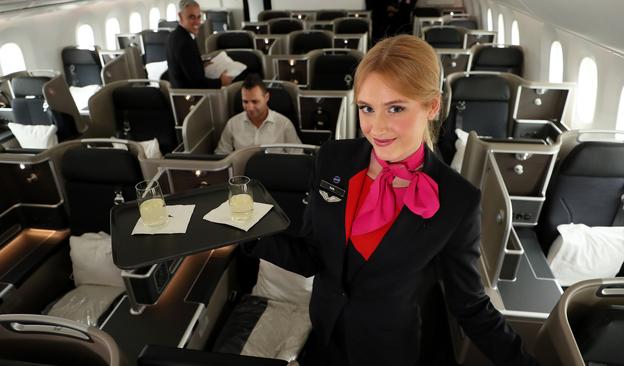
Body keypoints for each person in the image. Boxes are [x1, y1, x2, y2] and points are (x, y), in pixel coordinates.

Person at [246, 35, 537, 366]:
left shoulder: (458, 201)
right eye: (367, 108)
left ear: (432, 106)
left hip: (391, 351)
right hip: (325, 337)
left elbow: (470, 306)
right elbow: (314, 255)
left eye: (395, 108)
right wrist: (250, 231)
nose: (377, 127)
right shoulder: (333, 160)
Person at [215, 74, 302, 155]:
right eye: (245, 101)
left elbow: (298, 156)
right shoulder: (232, 124)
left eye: (254, 102)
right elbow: (221, 156)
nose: (249, 107)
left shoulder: (284, 124)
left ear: (266, 98)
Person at [166, 0, 232, 89]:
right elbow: (197, 83)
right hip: (191, 97)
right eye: (192, 17)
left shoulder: (174, 36)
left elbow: (185, 67)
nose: (197, 22)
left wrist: (201, 64)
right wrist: (220, 82)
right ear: (180, 16)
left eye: (198, 17)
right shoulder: (185, 43)